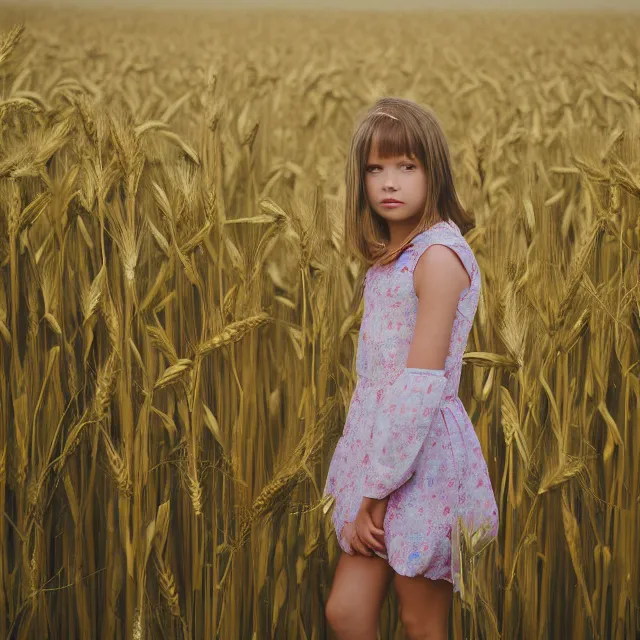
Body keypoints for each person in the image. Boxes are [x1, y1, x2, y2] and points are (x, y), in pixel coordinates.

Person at [323, 97, 499, 640]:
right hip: (380, 448)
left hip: (422, 463)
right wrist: (368, 486)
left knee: (420, 621)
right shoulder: (392, 259)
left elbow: (420, 387)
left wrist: (373, 496)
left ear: (434, 171)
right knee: (346, 612)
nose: (388, 182)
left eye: (406, 166)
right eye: (375, 169)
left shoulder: (439, 259)